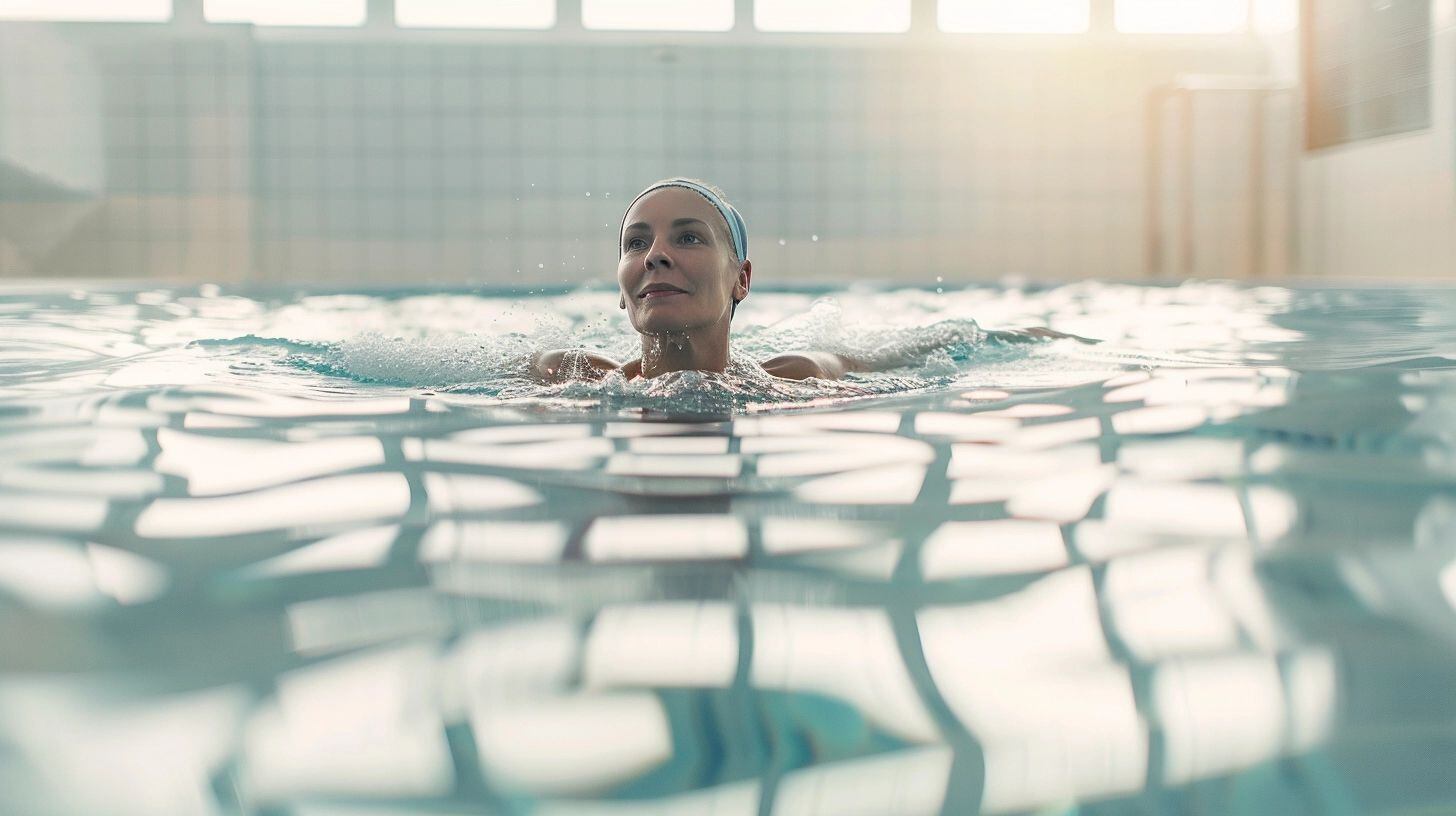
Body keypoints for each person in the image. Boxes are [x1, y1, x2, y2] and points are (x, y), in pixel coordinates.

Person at [531, 178, 1079, 383]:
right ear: (623, 293)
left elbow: (911, 351)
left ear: (741, 280)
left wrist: (1011, 338)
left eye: (689, 238)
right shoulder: (570, 377)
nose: (655, 256)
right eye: (636, 242)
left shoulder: (793, 379)